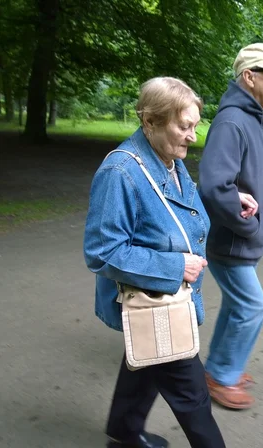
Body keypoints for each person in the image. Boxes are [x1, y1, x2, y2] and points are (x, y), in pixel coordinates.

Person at [83, 77, 226, 448]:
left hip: (165, 303)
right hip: (156, 305)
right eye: (184, 125)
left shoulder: (170, 160)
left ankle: (124, 433)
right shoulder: (121, 173)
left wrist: (233, 197)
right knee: (193, 396)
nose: (193, 135)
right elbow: (102, 251)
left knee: (145, 357)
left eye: (195, 125)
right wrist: (175, 267)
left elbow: (180, 211)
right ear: (150, 121)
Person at [199, 43, 263, 410]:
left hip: (245, 239)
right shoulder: (232, 122)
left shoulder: (261, 117)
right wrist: (250, 226)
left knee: (238, 305)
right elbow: (213, 186)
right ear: (249, 76)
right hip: (231, 241)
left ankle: (222, 366)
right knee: (253, 306)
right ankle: (220, 375)